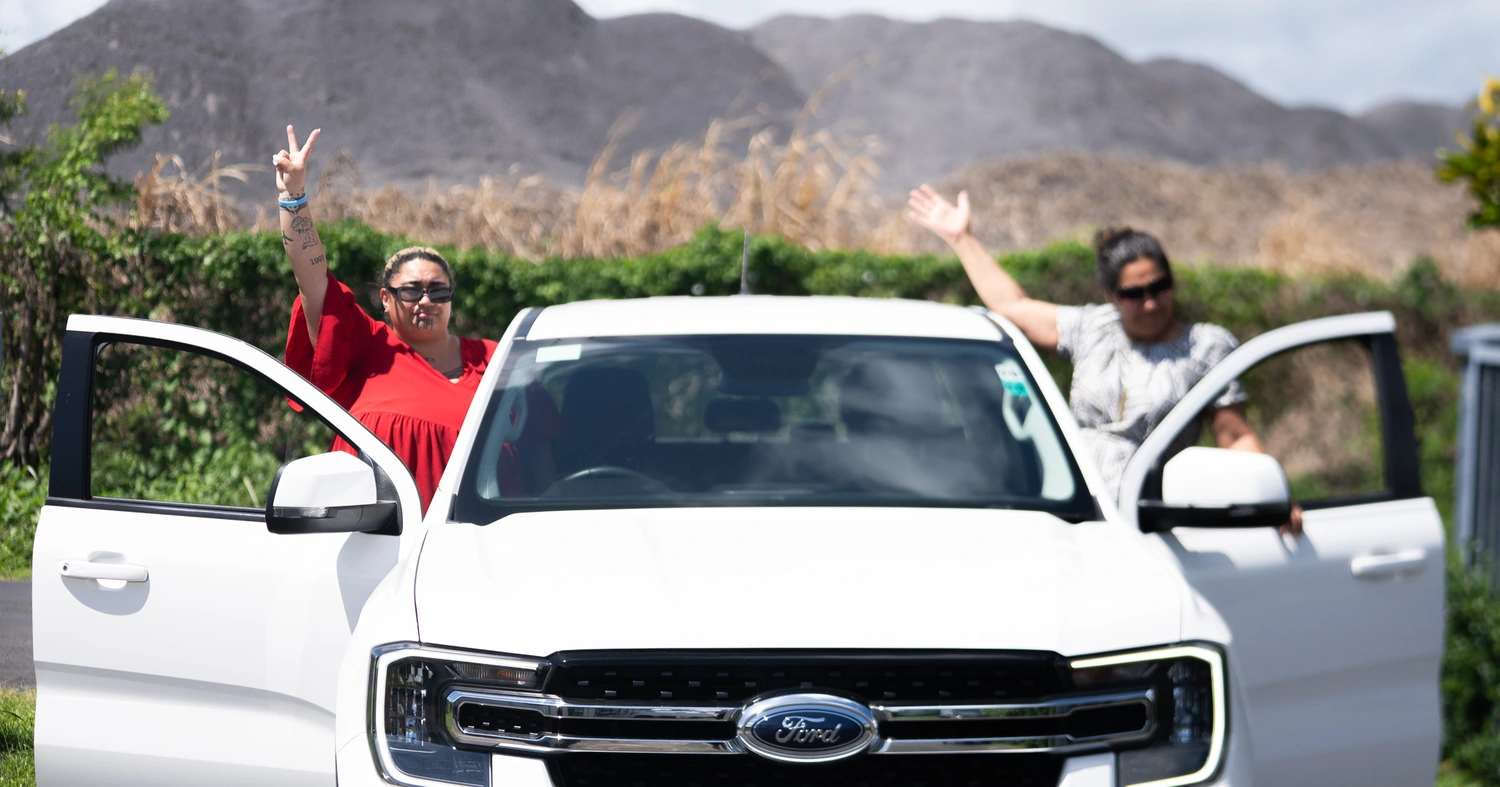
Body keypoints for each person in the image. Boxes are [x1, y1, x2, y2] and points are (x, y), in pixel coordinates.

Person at [907, 185, 1303, 535]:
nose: (1150, 303)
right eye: (1134, 294)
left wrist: (1273, 498)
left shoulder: (1207, 346)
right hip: (1072, 513)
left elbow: (1234, 435)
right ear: (1111, 295)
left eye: (1159, 287)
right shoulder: (1092, 328)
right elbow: (1014, 305)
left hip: (1153, 521)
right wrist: (962, 239)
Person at [274, 125, 559, 512]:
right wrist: (293, 197)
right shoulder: (370, 346)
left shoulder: (497, 361)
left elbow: (545, 456)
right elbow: (312, 279)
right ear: (387, 300)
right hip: (375, 540)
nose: (426, 300)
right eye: (412, 291)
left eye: (438, 291)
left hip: (479, 540)